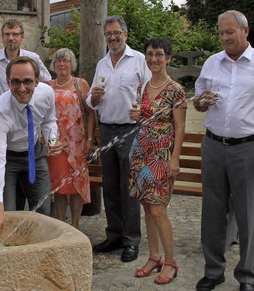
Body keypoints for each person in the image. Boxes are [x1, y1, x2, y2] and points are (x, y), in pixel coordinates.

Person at [193, 10, 254, 291]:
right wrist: (202, 102)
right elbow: (197, 103)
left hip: (248, 147)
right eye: (221, 33)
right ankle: (213, 271)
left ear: (245, 32)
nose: (224, 38)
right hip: (213, 145)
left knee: (247, 215)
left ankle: (246, 276)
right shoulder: (212, 63)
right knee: (211, 211)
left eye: (230, 32)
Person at [86, 15, 151, 263]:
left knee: (130, 188)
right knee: (111, 186)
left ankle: (131, 240)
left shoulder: (139, 61)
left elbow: (150, 95)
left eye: (116, 33)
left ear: (126, 34)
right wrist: (95, 96)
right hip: (107, 130)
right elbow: (91, 103)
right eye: (108, 34)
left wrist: (143, 112)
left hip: (131, 130)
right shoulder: (102, 63)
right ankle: (114, 235)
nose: (112, 37)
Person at [128, 38, 186, 285]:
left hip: (161, 156)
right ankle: (154, 257)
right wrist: (137, 116)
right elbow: (144, 120)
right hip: (140, 151)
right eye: (150, 54)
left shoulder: (176, 90)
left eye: (159, 54)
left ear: (168, 58)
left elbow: (180, 126)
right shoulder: (142, 87)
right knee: (147, 208)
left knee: (159, 210)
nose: (154, 59)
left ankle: (171, 262)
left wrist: (175, 158)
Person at [0, 56, 61, 243]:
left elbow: (49, 119)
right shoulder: (0, 110)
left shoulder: (47, 93)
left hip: (35, 154)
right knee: (9, 213)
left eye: (27, 81)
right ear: (8, 82)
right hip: (8, 158)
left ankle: (43, 249)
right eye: (16, 82)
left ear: (37, 81)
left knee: (44, 211)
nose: (21, 89)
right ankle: (12, 252)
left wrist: (52, 138)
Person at [46, 48, 95, 229]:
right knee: (59, 185)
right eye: (58, 61)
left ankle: (75, 225)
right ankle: (61, 224)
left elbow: (91, 114)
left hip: (77, 143)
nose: (61, 64)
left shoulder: (80, 84)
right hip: (55, 143)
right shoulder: (48, 85)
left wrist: (90, 139)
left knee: (76, 185)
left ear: (72, 64)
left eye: (65, 60)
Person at [0, 19, 51, 95]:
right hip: (0, 105)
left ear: (22, 37)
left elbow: (48, 82)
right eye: (7, 34)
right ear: (2, 36)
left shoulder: (32, 59)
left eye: (15, 34)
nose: (10, 38)